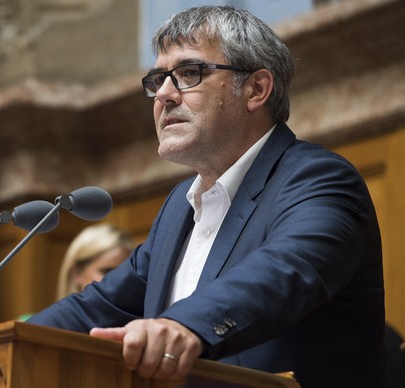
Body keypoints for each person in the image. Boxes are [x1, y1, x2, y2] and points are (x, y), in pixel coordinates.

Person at [27, 6, 387, 387]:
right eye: (158, 79)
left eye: (188, 73)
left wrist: (183, 326)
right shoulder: (179, 208)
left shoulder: (317, 179)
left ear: (256, 89)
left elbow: (286, 268)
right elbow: (101, 306)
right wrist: (6, 342)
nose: (163, 94)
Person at [55, 224, 135, 300]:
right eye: (107, 271)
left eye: (125, 274)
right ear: (77, 272)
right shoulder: (53, 314)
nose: (119, 282)